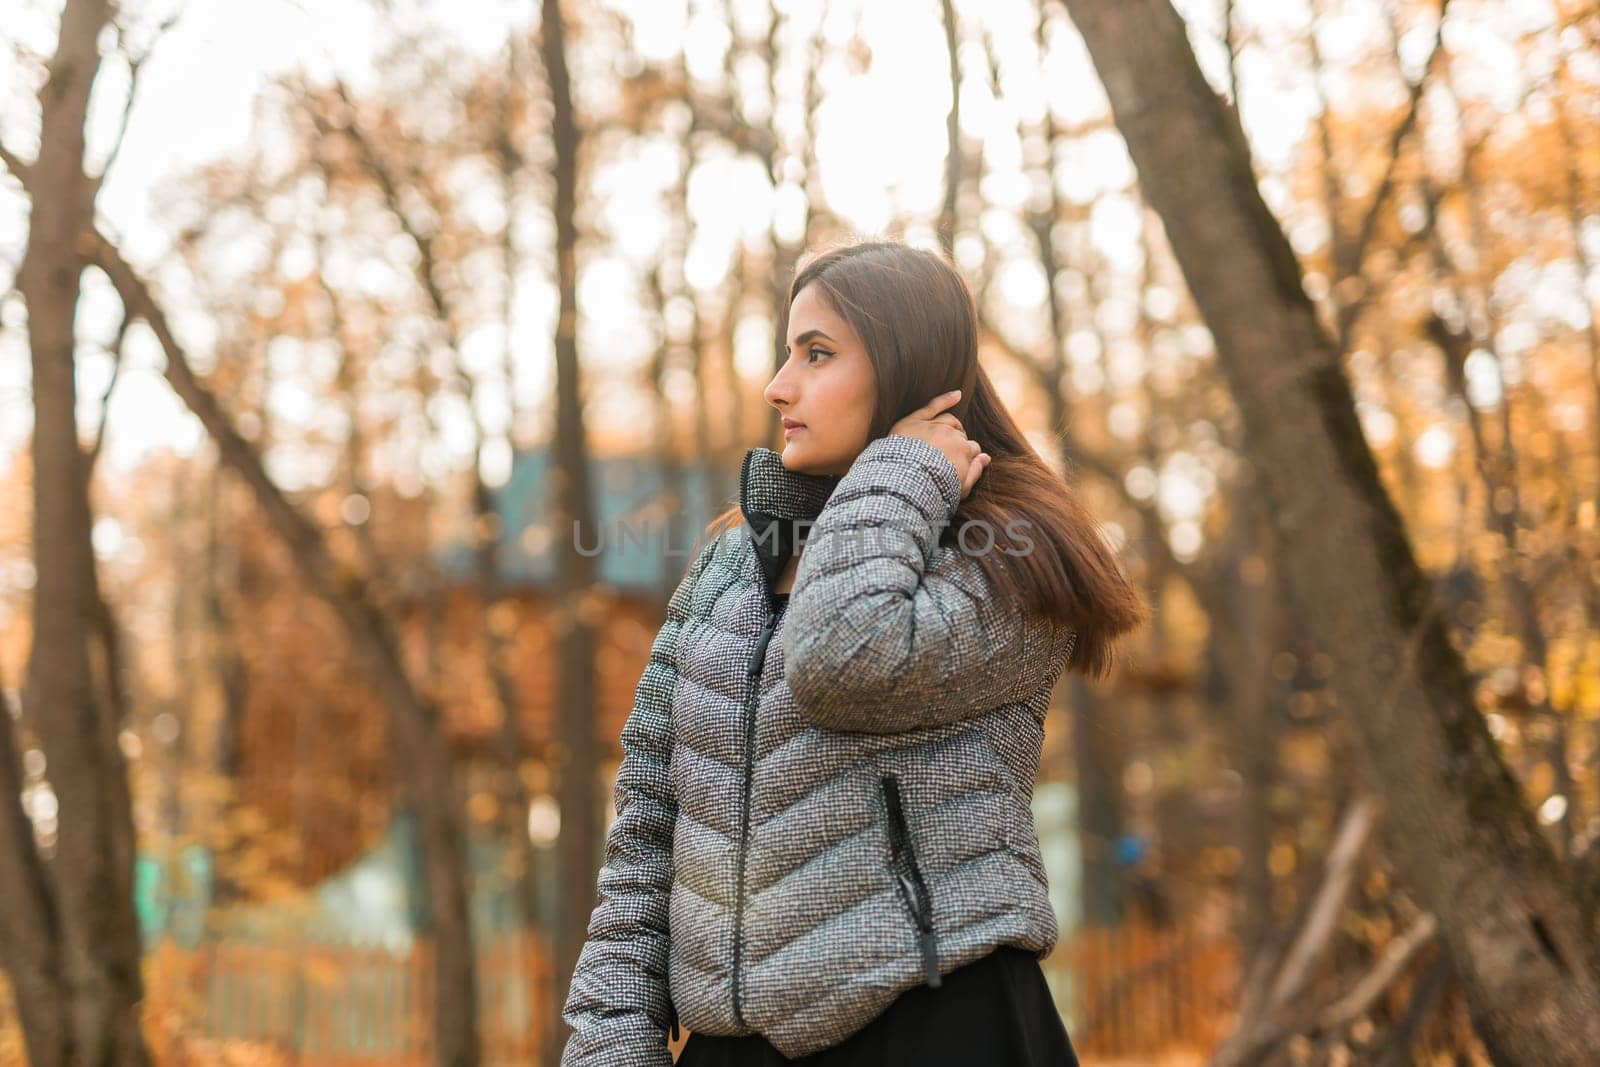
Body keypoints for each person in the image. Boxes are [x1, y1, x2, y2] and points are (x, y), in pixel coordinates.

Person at [559, 239, 1148, 1066]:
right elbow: (652, 826)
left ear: (907, 369)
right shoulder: (731, 564)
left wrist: (905, 465)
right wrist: (609, 1045)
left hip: (935, 1029)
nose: (778, 385)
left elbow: (842, 661)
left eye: (818, 353)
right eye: (787, 352)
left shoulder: (1009, 551)